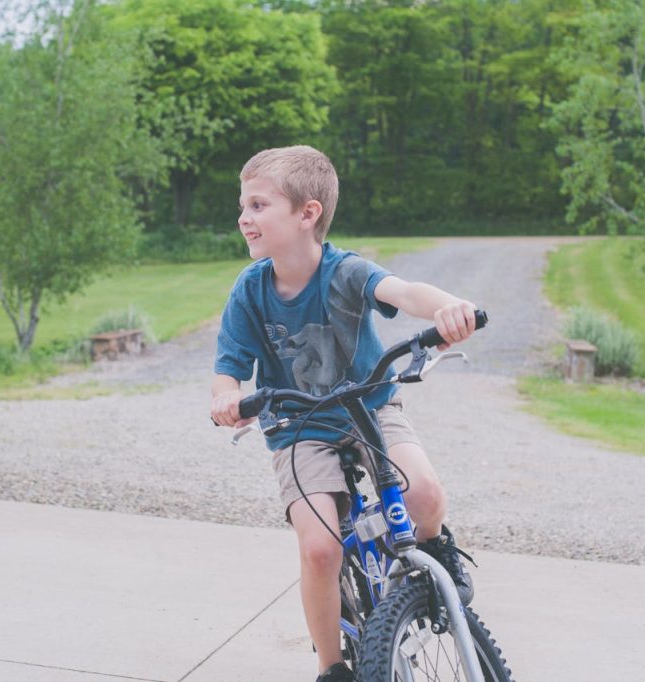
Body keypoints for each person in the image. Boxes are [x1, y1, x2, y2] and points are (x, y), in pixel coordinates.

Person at [210, 145, 478, 682]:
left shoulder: (347, 272)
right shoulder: (250, 292)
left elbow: (403, 292)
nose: (244, 217)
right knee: (318, 549)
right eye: (243, 206)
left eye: (259, 205)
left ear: (307, 214)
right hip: (298, 427)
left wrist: (449, 307)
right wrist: (225, 399)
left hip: (369, 407)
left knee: (423, 493)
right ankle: (333, 666)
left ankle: (432, 554)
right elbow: (228, 367)